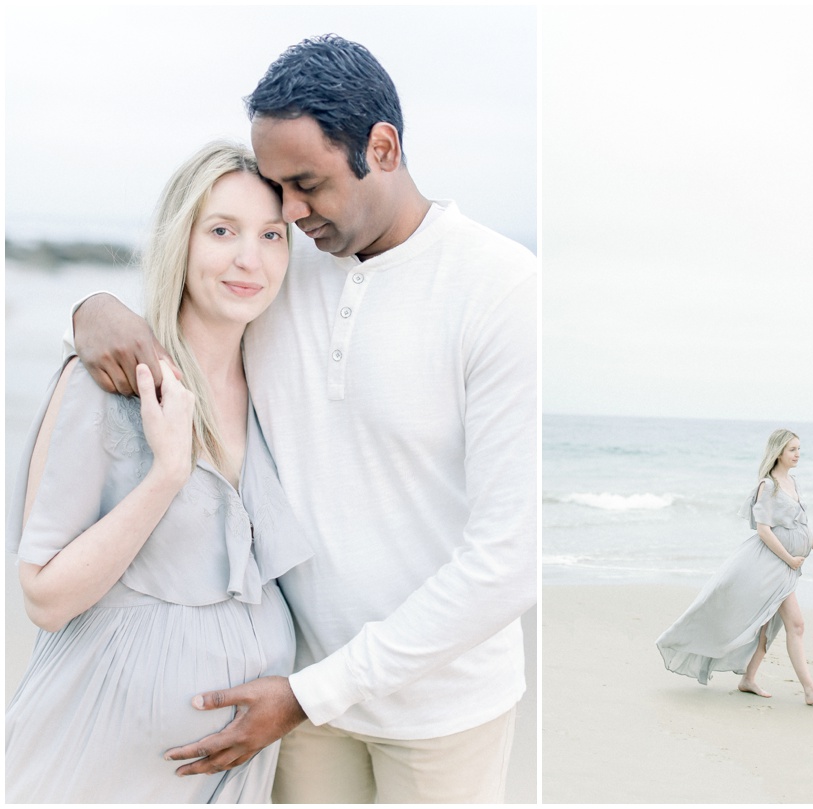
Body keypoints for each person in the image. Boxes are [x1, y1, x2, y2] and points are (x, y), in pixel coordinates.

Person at [71, 35, 536, 803]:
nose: (286, 211)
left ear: (382, 148)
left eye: (307, 183)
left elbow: (508, 561)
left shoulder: (501, 289)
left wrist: (313, 691)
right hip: (294, 691)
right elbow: (187, 311)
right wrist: (93, 310)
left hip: (441, 707)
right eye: (276, 187)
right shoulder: (285, 261)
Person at [5, 142, 312, 802]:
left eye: (271, 235)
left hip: (229, 779)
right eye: (222, 230)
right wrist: (168, 472)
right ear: (181, 238)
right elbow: (44, 596)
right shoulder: (107, 383)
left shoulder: (276, 389)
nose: (249, 258)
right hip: (93, 769)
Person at [656, 429, 813, 706]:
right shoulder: (768, 486)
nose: (798, 454)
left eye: (799, 449)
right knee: (796, 625)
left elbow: (803, 529)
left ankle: (748, 679)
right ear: (778, 452)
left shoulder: (793, 483)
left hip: (786, 569)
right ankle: (811, 691)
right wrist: (789, 559)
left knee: (767, 627)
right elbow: (764, 531)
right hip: (770, 566)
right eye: (792, 449)